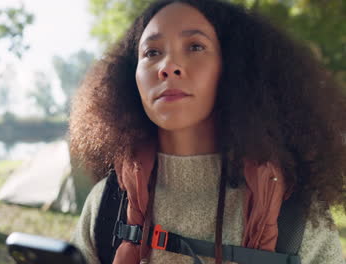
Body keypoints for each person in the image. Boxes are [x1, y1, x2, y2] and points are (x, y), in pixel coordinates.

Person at [68, 0, 346, 263]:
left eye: (195, 46)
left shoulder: (295, 214)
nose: (168, 67)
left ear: (233, 69)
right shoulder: (106, 203)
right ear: (132, 76)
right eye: (152, 52)